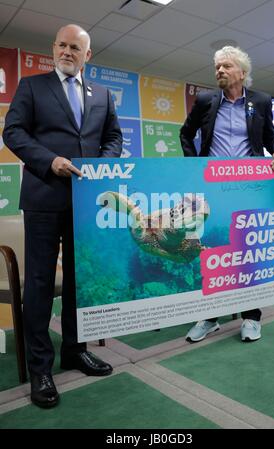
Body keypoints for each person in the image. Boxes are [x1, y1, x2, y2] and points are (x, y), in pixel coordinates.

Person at [3, 24, 122, 408]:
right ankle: (41, 367)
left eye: (76, 47)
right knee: (38, 284)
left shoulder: (102, 94)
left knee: (79, 281)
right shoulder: (32, 87)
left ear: (88, 55)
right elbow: (14, 132)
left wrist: (100, 170)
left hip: (86, 201)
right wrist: (48, 161)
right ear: (54, 48)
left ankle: (75, 349)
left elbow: (113, 138)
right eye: (62, 45)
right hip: (42, 198)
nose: (67, 52)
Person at [180, 46, 274, 344]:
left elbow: (269, 136)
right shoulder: (205, 101)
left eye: (226, 66)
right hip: (213, 188)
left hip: (248, 188)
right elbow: (185, 134)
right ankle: (210, 317)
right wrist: (195, 166)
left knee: (246, 251)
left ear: (242, 72)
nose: (220, 71)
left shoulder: (260, 102)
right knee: (213, 248)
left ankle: (251, 317)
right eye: (217, 67)